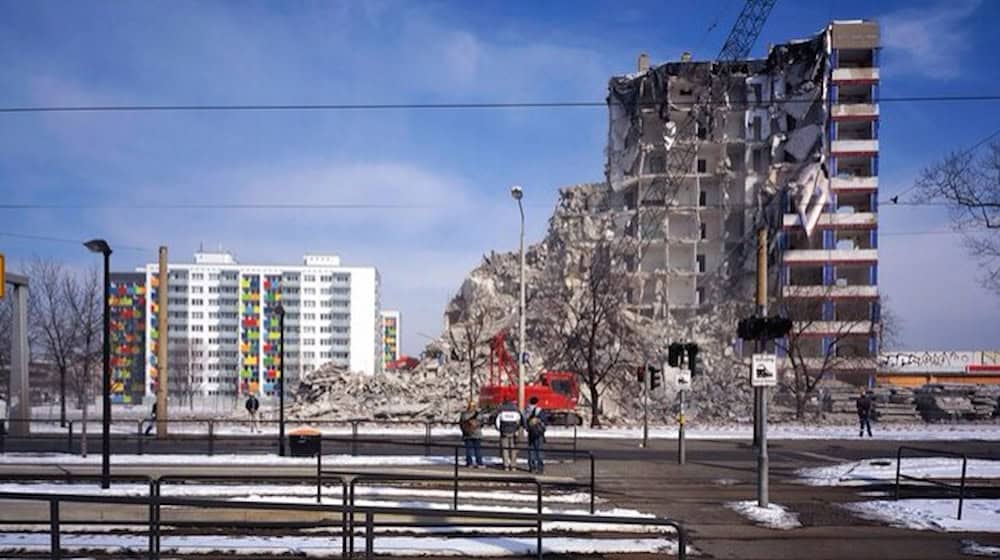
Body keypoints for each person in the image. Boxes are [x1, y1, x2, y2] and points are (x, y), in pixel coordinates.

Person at [494, 401, 523, 471]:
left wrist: (499, 429)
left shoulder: (501, 410)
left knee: (505, 449)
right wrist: (518, 430)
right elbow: (520, 421)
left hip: (504, 431)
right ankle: (513, 466)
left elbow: (497, 421)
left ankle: (506, 465)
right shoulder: (516, 410)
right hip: (513, 431)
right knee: (513, 449)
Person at [459, 400, 485, 468]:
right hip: (477, 434)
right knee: (478, 449)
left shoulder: (464, 414)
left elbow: (461, 424)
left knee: (469, 450)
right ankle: (479, 463)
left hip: (467, 434)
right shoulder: (479, 414)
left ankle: (469, 463)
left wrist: (464, 430)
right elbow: (482, 424)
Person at [524, 396, 546, 474]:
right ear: (537, 402)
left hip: (531, 433)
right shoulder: (539, 410)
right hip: (539, 433)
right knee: (539, 450)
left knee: (531, 450)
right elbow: (544, 420)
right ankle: (540, 468)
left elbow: (524, 421)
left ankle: (532, 467)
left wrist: (527, 428)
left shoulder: (527, 410)